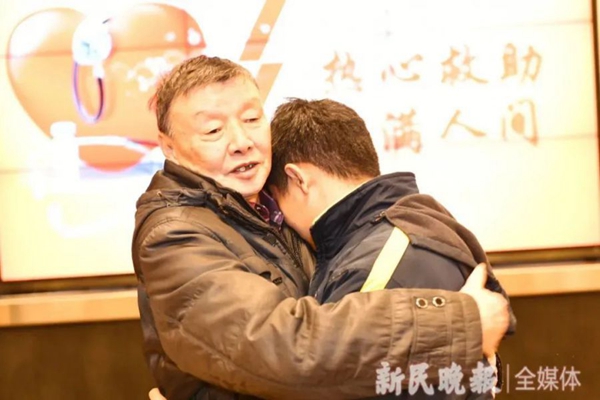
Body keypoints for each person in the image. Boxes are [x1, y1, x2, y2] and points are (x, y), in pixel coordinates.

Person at [132, 55, 510, 400]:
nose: (242, 142)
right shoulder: (172, 233)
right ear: (169, 146)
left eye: (251, 119)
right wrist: (456, 323)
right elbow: (284, 349)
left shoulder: (264, 211)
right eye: (213, 130)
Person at [266, 98, 517, 398]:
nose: (281, 219)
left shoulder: (374, 268)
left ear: (298, 179)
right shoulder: (415, 222)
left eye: (276, 201)